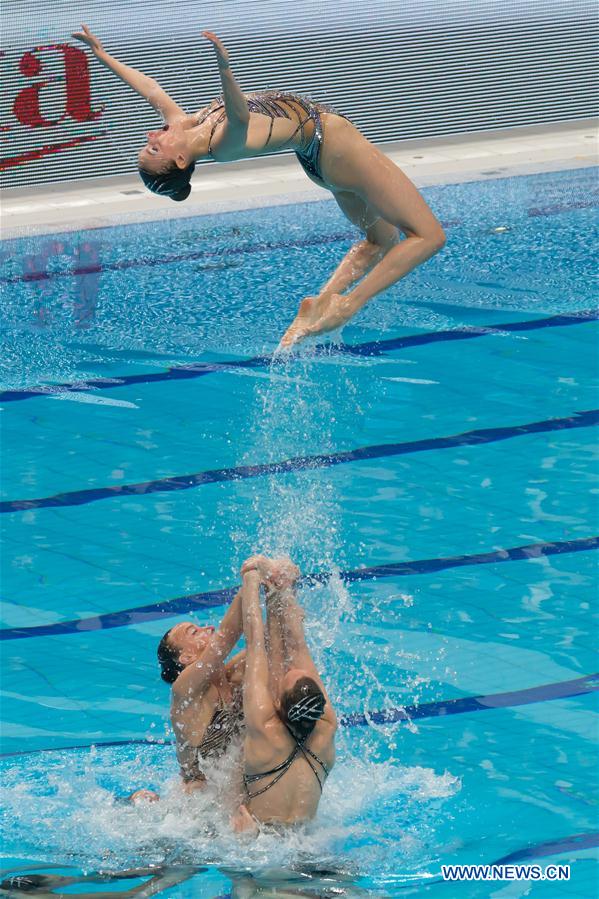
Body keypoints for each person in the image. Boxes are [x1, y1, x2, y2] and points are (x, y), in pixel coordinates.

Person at [71, 25, 446, 347]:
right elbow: (239, 114)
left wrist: (103, 55)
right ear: (181, 161)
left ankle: (321, 304)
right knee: (427, 236)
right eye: (155, 146)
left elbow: (150, 90)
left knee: (380, 242)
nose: (154, 133)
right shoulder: (223, 145)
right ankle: (349, 306)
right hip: (335, 149)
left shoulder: (187, 125)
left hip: (322, 158)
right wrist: (224, 66)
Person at [231, 555, 337, 831]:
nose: (289, 669)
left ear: (277, 702)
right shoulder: (326, 727)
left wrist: (253, 578)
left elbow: (255, 642)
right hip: (310, 845)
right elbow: (299, 646)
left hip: (262, 851)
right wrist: (285, 587)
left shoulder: (265, 730)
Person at [156, 593, 246, 790]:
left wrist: (280, 591)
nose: (210, 628)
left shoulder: (233, 676)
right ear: (186, 657)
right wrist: (249, 581)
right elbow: (225, 639)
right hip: (196, 804)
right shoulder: (184, 690)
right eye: (194, 632)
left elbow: (270, 640)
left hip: (229, 791)